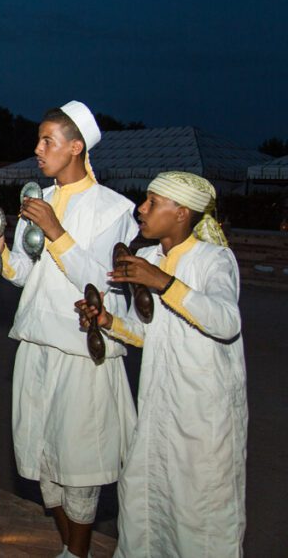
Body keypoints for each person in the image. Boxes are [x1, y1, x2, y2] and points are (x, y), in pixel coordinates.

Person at [0, 101, 138, 558]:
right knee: (44, 457)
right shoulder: (40, 201)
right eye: (40, 138)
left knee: (79, 462)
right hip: (36, 342)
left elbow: (108, 286)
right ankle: (72, 548)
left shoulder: (114, 210)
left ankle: (77, 552)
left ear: (76, 146)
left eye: (48, 140)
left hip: (81, 350)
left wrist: (58, 233)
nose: (38, 148)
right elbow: (30, 275)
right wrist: (1, 252)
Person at [76, 172, 246, 557]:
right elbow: (152, 335)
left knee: (200, 516)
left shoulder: (214, 261)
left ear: (182, 212)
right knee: (143, 505)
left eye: (153, 203)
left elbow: (226, 322)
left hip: (203, 416)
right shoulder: (150, 258)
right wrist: (108, 322)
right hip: (156, 409)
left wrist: (164, 283)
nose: (142, 209)